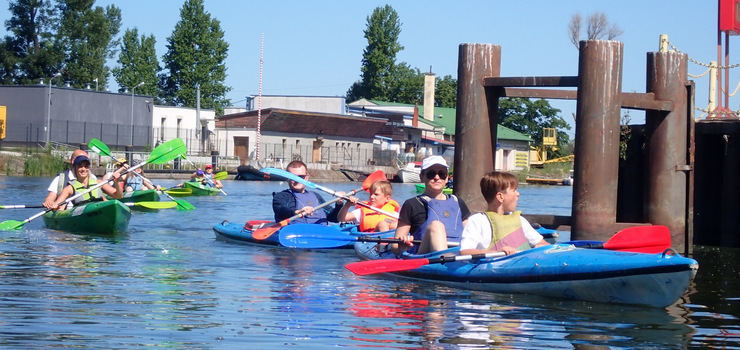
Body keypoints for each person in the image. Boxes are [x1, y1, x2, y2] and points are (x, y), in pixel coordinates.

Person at [392, 155, 471, 255]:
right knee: (436, 225)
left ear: (446, 178)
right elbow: (394, 246)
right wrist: (402, 247)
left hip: (458, 257)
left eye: (442, 174)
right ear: (422, 177)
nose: (437, 177)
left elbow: (470, 235)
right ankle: (445, 259)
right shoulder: (411, 204)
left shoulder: (458, 202)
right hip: (425, 256)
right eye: (431, 174)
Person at [459, 171, 550, 256]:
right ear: (500, 197)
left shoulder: (520, 220)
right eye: (514, 190)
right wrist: (496, 252)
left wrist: (541, 245)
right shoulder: (478, 221)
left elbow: (543, 243)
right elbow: (465, 251)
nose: (518, 194)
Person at [271, 160, 344, 225]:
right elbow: (280, 211)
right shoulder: (281, 196)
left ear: (306, 177)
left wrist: (339, 204)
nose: (297, 180)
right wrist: (297, 211)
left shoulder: (316, 196)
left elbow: (334, 218)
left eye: (301, 177)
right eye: (293, 177)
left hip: (321, 232)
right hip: (296, 232)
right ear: (287, 178)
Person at [52, 154, 124, 209]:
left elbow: (119, 196)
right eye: (80, 166)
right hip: (82, 215)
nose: (83, 169)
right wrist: (55, 207)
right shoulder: (69, 188)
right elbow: (58, 205)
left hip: (100, 211)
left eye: (86, 166)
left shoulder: (99, 183)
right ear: (75, 168)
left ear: (89, 168)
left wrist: (116, 182)